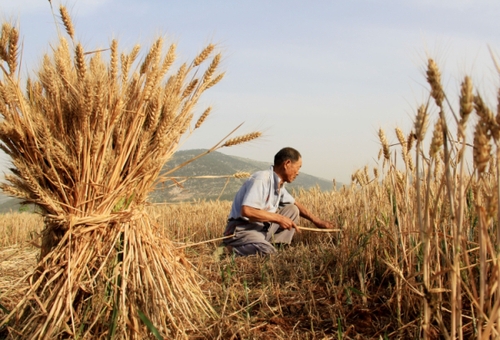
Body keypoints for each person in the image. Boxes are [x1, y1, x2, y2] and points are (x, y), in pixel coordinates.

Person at [222, 147, 336, 256]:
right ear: (287, 164)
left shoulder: (279, 185)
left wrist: (318, 222)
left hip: (262, 229)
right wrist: (279, 218)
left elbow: (294, 203)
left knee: (292, 209)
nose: (298, 173)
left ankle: (275, 245)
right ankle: (230, 249)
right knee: (266, 251)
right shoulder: (262, 179)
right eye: (298, 167)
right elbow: (247, 211)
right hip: (243, 229)